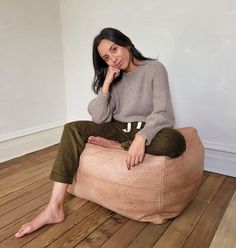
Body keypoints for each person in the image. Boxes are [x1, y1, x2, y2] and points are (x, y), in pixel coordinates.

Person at [15, 27, 186, 238]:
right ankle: (54, 206)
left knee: (176, 141)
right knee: (72, 128)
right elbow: (99, 118)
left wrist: (141, 138)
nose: (113, 58)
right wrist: (106, 84)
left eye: (114, 49)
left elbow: (164, 113)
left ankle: (118, 147)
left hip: (145, 128)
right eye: (106, 57)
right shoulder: (115, 78)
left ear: (127, 44)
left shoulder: (155, 69)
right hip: (118, 127)